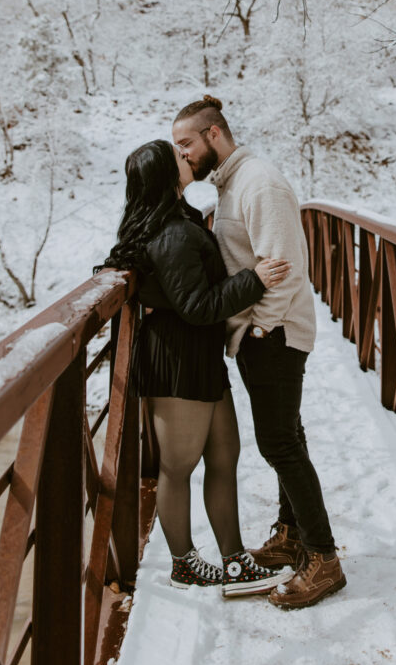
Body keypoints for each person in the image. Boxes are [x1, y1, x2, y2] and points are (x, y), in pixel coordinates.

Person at [172, 97, 346, 610]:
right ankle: (292, 535)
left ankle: (323, 559)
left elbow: (283, 263)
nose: (182, 155)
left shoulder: (259, 182)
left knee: (278, 444)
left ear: (214, 136)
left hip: (275, 335)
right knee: (286, 434)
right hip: (261, 333)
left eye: (186, 144)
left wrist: (262, 330)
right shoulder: (232, 183)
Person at [101, 139, 294, 596]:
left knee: (225, 454)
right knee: (179, 466)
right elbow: (196, 306)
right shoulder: (171, 235)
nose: (188, 159)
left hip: (199, 355)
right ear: (166, 176)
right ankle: (184, 563)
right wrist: (255, 280)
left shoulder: (181, 219)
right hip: (178, 358)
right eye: (179, 158)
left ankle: (234, 562)